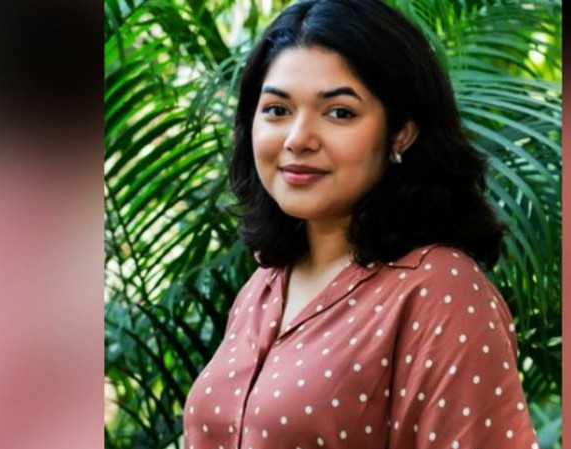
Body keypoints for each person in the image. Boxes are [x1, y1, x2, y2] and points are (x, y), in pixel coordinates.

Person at [184, 0, 541, 448]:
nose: (298, 139)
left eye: (339, 112)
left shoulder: (439, 291)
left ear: (401, 133)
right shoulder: (262, 287)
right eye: (277, 109)